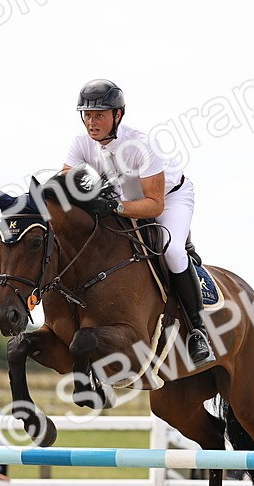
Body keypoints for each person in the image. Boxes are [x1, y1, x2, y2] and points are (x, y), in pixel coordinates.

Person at [61, 78, 214, 367]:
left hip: (169, 199)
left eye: (99, 115)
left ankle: (197, 331)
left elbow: (154, 204)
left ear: (118, 115)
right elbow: (65, 185)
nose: (92, 122)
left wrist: (114, 205)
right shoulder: (80, 144)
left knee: (172, 252)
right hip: (125, 199)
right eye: (87, 115)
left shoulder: (141, 145)